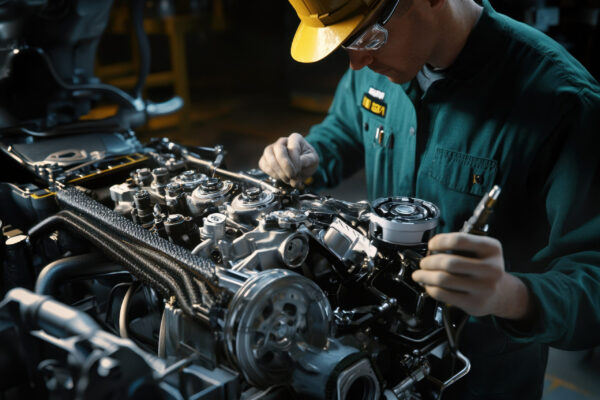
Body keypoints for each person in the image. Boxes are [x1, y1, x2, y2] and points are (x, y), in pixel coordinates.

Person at [258, 0, 600, 398]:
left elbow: (592, 275)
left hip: (481, 374)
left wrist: (510, 295)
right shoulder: (379, 64)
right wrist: (306, 156)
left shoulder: (564, 101)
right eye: (347, 45)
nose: (358, 62)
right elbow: (345, 130)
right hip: (378, 353)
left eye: (369, 36)